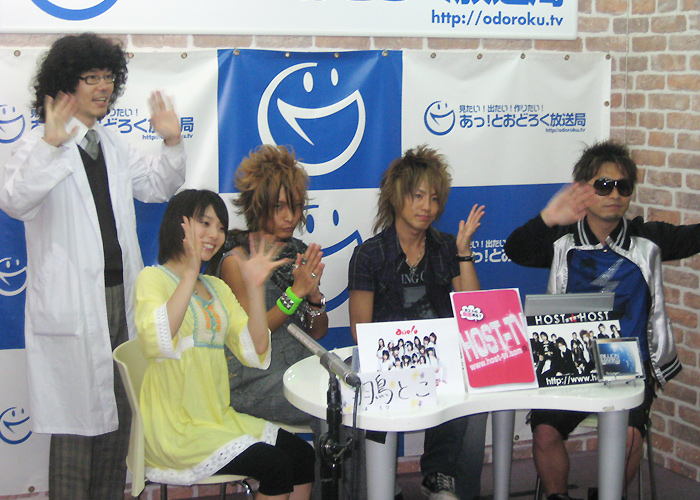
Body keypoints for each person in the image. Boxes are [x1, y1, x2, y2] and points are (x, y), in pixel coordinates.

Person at [0, 33, 186, 500]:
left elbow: (157, 187)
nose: (103, 87)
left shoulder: (112, 143)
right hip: (74, 306)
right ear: (66, 85)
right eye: (91, 78)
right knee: (75, 426)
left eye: (108, 77)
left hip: (121, 296)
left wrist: (171, 140)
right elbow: (16, 201)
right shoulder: (36, 144)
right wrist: (50, 146)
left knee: (119, 412)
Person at [504, 140, 699, 500]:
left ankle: (609, 494)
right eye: (604, 185)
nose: (615, 195)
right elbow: (515, 249)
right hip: (570, 359)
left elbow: (695, 237)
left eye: (623, 186)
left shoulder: (648, 239)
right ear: (583, 189)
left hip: (628, 363)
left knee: (629, 436)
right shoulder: (562, 239)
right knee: (545, 433)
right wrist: (548, 217)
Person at [134, 189, 314, 499]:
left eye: (220, 227)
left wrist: (255, 288)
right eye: (205, 223)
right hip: (176, 428)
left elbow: (255, 348)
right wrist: (190, 273)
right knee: (275, 466)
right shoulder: (152, 278)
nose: (215, 235)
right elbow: (157, 340)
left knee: (302, 456)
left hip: (217, 418)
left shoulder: (216, 287)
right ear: (179, 224)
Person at [348, 145, 487, 500]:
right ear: (396, 198)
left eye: (435, 198)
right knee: (365, 392)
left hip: (441, 359)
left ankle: (440, 475)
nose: (427, 206)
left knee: (471, 397)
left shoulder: (446, 247)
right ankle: (381, 480)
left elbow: (472, 312)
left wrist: (464, 253)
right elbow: (359, 330)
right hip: (387, 359)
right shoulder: (369, 254)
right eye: (418, 196)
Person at [210, 144, 328, 425]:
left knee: (347, 390)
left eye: (296, 206)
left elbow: (317, 332)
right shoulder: (236, 261)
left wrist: (313, 297)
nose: (290, 217)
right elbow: (253, 338)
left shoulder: (297, 253)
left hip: (298, 367)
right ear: (258, 205)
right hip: (252, 382)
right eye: (279, 207)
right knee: (331, 403)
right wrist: (295, 293)